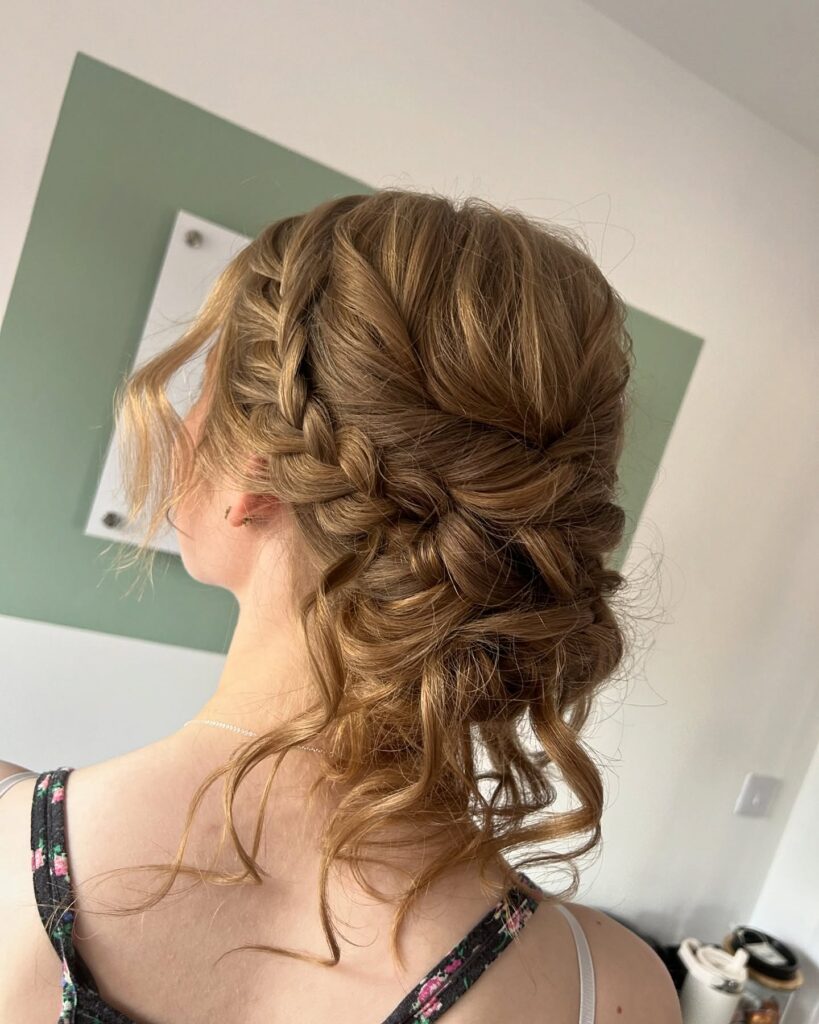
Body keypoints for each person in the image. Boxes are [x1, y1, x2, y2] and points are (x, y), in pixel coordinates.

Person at [0, 189, 681, 1023]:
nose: (182, 428)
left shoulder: (11, 858)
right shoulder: (606, 990)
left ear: (253, 470)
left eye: (204, 391)